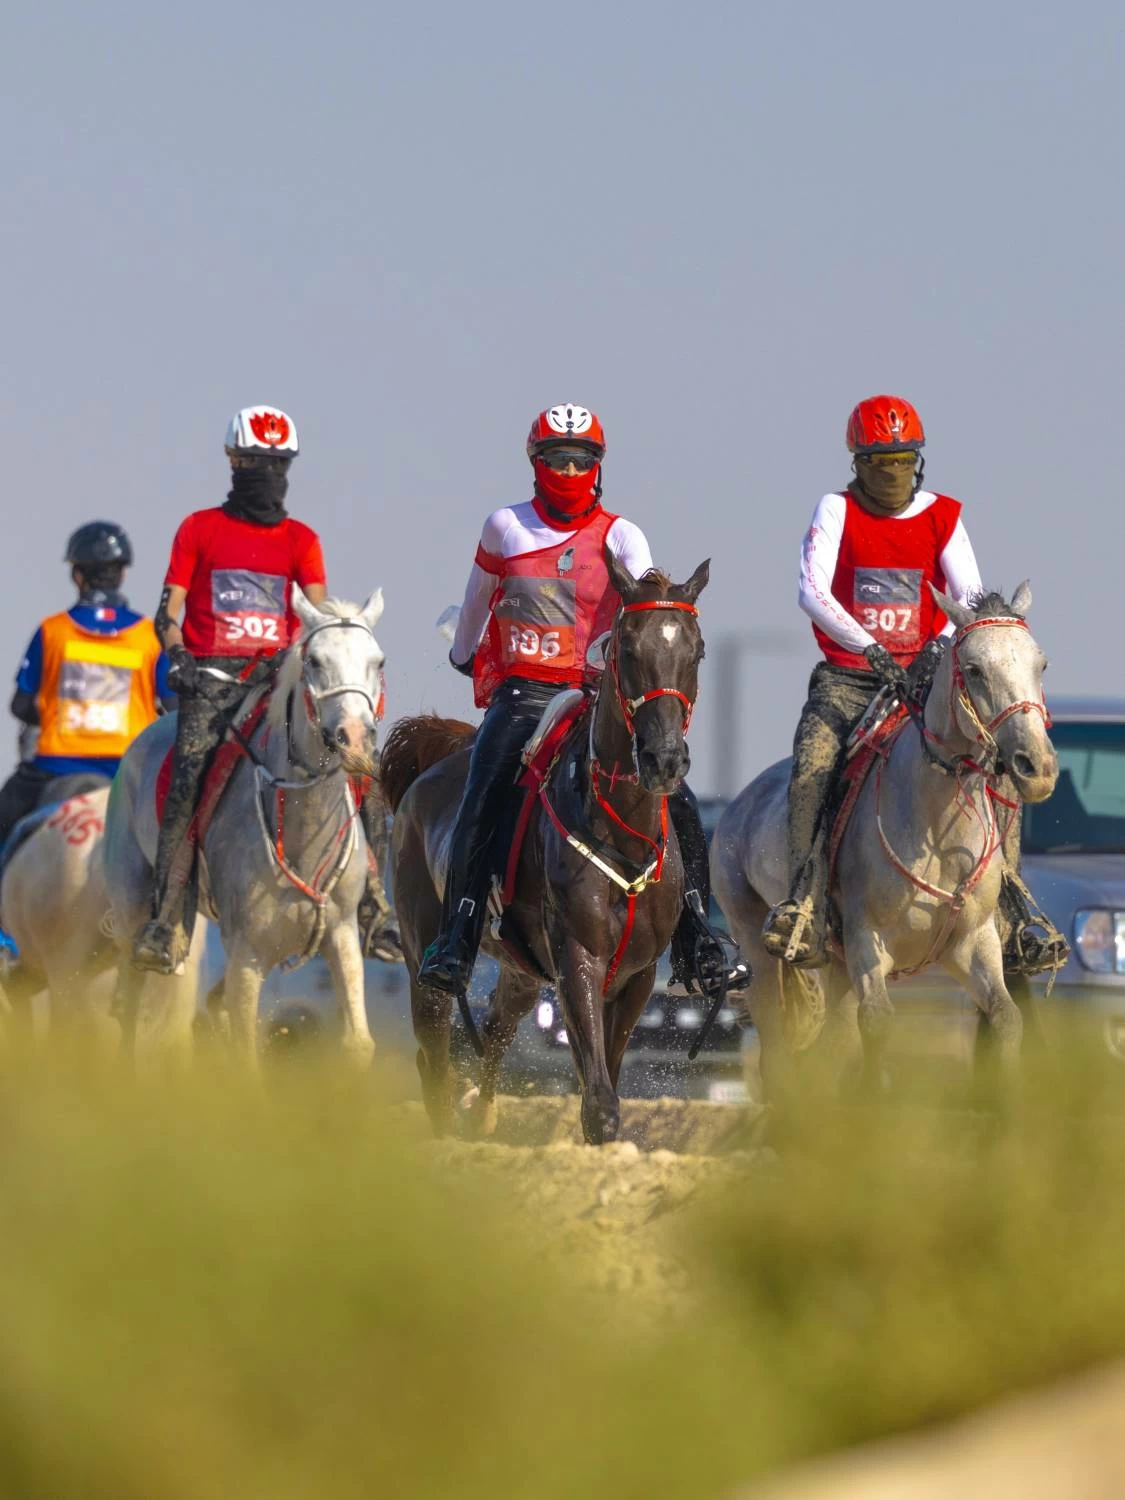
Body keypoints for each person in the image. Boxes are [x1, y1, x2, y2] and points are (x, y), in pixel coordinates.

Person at [417, 402, 749, 1001]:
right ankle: (459, 933)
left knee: (679, 800)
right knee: (483, 793)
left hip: (597, 696)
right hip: (524, 693)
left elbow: (649, 600)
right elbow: (476, 600)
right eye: (557, 458)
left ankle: (697, 935)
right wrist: (466, 651)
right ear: (535, 462)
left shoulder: (623, 534)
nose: (569, 469)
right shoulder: (505, 527)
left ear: (598, 465)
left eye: (581, 458)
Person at [761, 393, 1069, 976]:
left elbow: (971, 600)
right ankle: (804, 903)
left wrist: (934, 652)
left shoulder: (943, 515)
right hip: (850, 679)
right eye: (881, 461)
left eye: (904, 459)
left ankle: (1012, 908)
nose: (894, 472)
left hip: (926, 679)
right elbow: (813, 591)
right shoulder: (835, 510)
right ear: (858, 463)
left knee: (997, 770)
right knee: (812, 767)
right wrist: (868, 647)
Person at [132, 406, 400, 974]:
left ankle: (376, 909)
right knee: (187, 780)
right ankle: (166, 923)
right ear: (233, 461)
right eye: (255, 462)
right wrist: (178, 655)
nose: (266, 473)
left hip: (276, 683)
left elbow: (318, 619)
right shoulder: (198, 529)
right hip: (210, 682)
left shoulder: (301, 539)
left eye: (276, 463)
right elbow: (168, 612)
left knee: (358, 768)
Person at [0, 520, 170, 849]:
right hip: (127, 768)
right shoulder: (149, 636)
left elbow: (20, 705)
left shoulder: (52, 631)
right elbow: (174, 706)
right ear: (122, 573)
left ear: (77, 575)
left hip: (55, 766)